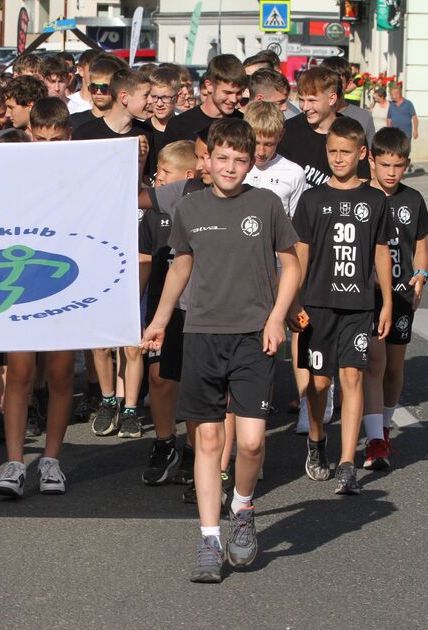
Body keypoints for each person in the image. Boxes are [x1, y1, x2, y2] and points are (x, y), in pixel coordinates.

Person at [141, 118, 301, 583]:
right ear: (207, 160)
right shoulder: (190, 207)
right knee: (207, 441)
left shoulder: (267, 205)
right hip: (202, 335)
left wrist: (277, 317)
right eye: (222, 158)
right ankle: (210, 539)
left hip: (253, 335)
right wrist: (159, 320)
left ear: (251, 163)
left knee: (250, 442)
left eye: (240, 159)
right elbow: (179, 268)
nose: (230, 167)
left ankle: (243, 507)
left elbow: (291, 266)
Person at [291, 117, 394, 496]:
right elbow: (301, 253)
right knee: (319, 384)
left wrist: (386, 302)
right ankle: (317, 439)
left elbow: (380, 252)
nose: (338, 158)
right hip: (318, 306)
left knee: (352, 378)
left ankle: (348, 462)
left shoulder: (375, 200)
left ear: (362, 153)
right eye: (332, 151)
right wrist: (294, 299)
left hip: (358, 306)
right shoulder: (312, 199)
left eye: (346, 152)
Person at [0, 97, 73, 498]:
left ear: (68, 136)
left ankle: (51, 460)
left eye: (55, 140)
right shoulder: (13, 168)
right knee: (20, 372)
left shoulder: (84, 169)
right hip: (21, 282)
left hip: (67, 283)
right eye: (40, 138)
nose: (47, 146)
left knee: (60, 373)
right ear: (30, 135)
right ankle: (15, 462)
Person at [73, 68, 153, 437]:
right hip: (94, 245)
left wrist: (140, 162)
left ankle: (131, 407)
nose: (150, 102)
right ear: (125, 98)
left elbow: (144, 192)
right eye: (145, 96)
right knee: (101, 337)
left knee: (132, 337)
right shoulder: (85, 133)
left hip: (134, 244)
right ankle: (107, 399)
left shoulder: (146, 135)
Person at [362, 126, 428, 470]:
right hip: (368, 295)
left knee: (393, 367)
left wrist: (421, 275)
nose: (391, 173)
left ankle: (385, 427)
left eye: (399, 166)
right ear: (372, 161)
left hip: (402, 294)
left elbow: (420, 245)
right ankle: (374, 440)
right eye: (386, 165)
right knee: (374, 364)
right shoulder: (361, 196)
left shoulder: (412, 200)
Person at [137, 140, 201, 486]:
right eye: (157, 171)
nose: (158, 178)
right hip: (164, 306)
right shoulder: (154, 215)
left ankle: (194, 449)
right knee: (159, 377)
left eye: (165, 173)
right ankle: (164, 443)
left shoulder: (202, 202)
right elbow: (144, 261)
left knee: (194, 382)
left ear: (188, 176)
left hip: (199, 306)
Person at [163, 54, 246, 146]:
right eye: (228, 92)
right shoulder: (179, 125)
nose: (233, 99)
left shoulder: (244, 124)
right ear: (209, 86)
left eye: (239, 93)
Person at [243, 101, 307, 217]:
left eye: (269, 144)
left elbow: (297, 222)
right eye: (256, 143)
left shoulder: (294, 173)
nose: (261, 152)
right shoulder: (233, 166)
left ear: (281, 135)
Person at [321, 56, 375, 147]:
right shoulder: (314, 115)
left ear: (348, 84)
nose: (333, 87)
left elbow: (370, 152)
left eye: (338, 82)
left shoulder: (363, 117)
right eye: (327, 82)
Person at [68, 55, 125, 131]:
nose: (98, 92)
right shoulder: (73, 122)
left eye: (104, 88)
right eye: (93, 88)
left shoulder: (127, 123)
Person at [66, 48, 104, 114]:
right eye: (93, 70)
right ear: (81, 71)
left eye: (101, 71)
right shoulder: (68, 104)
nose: (98, 75)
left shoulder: (108, 104)